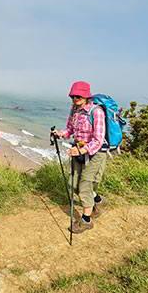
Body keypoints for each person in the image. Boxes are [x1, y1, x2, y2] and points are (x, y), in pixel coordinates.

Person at [54, 81, 107, 233]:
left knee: (84, 185)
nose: (75, 98)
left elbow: (98, 139)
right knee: (74, 184)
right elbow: (71, 129)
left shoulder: (96, 112)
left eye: (78, 96)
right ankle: (97, 200)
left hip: (95, 153)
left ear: (86, 96)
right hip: (79, 149)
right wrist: (61, 133)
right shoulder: (75, 109)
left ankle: (86, 221)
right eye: (73, 96)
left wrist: (81, 151)